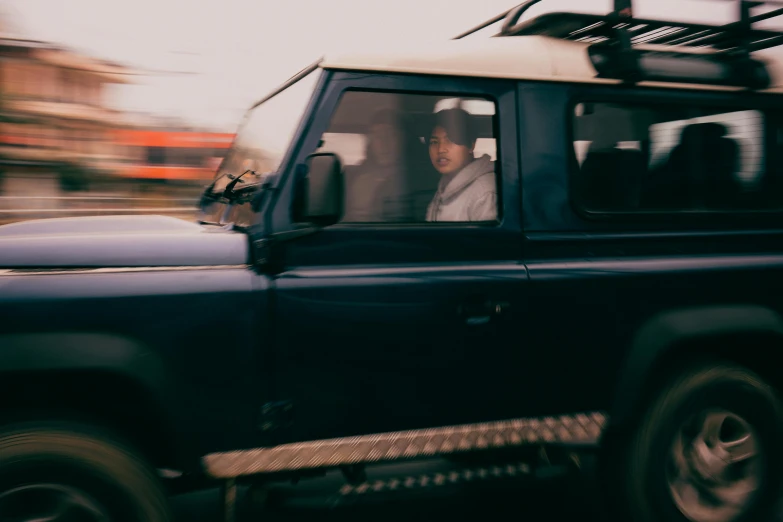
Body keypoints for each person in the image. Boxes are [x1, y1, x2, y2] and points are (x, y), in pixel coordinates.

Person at [342, 109, 432, 222]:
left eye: (391, 134)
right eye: (376, 135)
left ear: (406, 140)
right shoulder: (357, 174)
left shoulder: (422, 179)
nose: (383, 143)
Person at [425, 108, 497, 222]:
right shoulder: (444, 186)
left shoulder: (485, 192)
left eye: (450, 140)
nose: (440, 149)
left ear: (471, 146)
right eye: (434, 142)